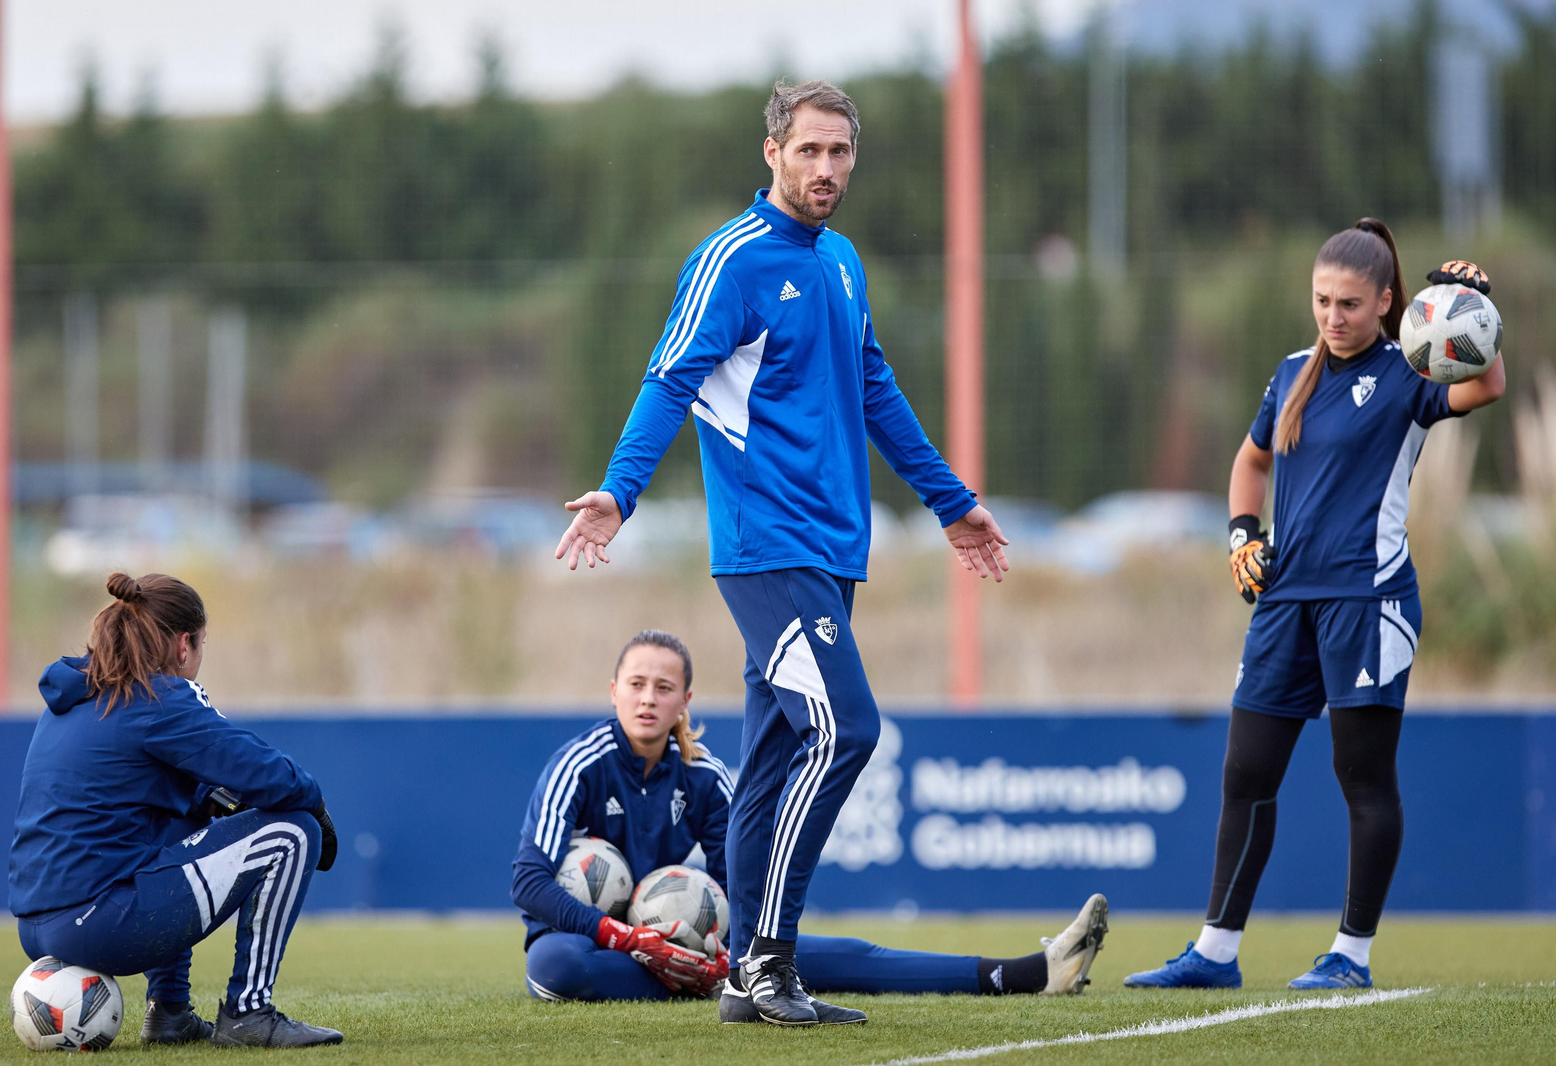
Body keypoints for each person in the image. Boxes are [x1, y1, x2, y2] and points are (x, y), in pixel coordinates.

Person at [553, 78, 1013, 1028]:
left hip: (835, 555)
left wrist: (951, 503)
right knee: (846, 731)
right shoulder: (732, 261)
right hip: (769, 553)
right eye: (809, 150)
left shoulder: (840, 261)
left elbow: (875, 388)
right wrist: (619, 490)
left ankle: (748, 984)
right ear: (772, 152)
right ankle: (767, 955)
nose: (827, 168)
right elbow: (669, 378)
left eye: (841, 152)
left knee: (766, 770)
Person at [1123, 229, 1506, 992]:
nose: (1333, 317)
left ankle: (1351, 956)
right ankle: (1215, 953)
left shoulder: (1410, 370)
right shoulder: (1293, 372)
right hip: (1283, 602)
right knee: (1246, 774)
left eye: (1351, 305)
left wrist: (1474, 311)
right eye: (1322, 301)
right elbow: (1252, 459)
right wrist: (1241, 533)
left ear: (1388, 303)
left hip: (1368, 600)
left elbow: (1485, 388)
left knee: (1363, 779)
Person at [512, 631, 1109, 1014]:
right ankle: (711, 978)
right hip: (592, 944)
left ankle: (1022, 974)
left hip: (691, 947)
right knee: (559, 968)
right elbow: (529, 883)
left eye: (663, 687)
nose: (648, 698)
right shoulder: (578, 765)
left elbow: (742, 884)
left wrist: (713, 949)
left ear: (685, 700)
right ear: (613, 691)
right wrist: (625, 937)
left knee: (804, 954)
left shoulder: (706, 777)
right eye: (636, 685)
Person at [9, 573, 344, 1048]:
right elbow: (264, 772)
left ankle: (169, 1014)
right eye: (203, 643)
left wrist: (207, 797)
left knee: (186, 816)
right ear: (184, 644)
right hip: (102, 926)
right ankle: (249, 1014)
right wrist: (317, 801)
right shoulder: (157, 697)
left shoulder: (73, 698)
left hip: (37, 929)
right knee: (295, 829)